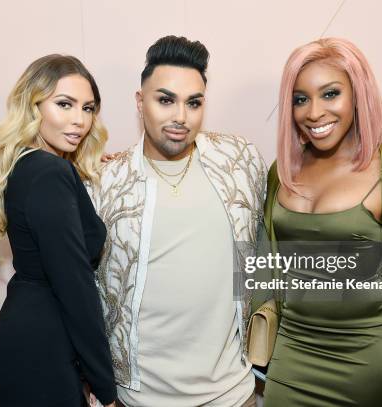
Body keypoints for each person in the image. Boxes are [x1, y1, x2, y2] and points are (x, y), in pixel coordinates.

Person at [252, 38, 382, 406]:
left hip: (371, 364)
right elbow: (265, 267)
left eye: (330, 94)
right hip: (293, 356)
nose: (314, 112)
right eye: (300, 99)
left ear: (358, 95)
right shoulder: (283, 173)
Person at [87, 36, 267, 406]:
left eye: (193, 103)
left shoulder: (241, 162)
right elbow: (81, 289)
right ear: (140, 102)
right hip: (138, 399)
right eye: (165, 100)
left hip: (233, 395)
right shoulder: (106, 183)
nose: (180, 117)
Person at [0, 54, 116, 407]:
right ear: (33, 105)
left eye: (88, 109)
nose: (79, 121)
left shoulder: (29, 166)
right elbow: (75, 287)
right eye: (64, 104)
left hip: (29, 343)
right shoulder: (49, 173)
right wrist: (106, 388)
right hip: (38, 356)